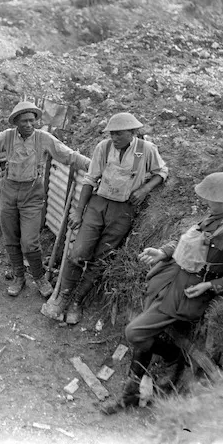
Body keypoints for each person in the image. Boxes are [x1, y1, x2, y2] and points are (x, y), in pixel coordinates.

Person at [102, 172, 223, 414]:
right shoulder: (213, 217)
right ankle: (130, 394)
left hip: (187, 293)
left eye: (212, 199)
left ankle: (172, 354)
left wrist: (210, 286)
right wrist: (163, 252)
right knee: (143, 332)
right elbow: (188, 244)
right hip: (169, 279)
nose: (207, 202)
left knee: (134, 333)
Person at [42, 112, 168, 324]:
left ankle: (77, 301)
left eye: (119, 134)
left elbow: (162, 172)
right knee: (77, 254)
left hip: (123, 211)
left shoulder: (146, 150)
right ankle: (63, 297)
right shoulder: (104, 147)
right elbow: (90, 180)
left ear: (133, 132)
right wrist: (78, 211)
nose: (114, 138)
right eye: (112, 134)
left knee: (100, 260)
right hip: (98, 205)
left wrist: (145, 189)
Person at [0, 101, 91, 298]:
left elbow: (67, 155)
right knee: (10, 238)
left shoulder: (44, 138)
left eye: (31, 120)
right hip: (8, 192)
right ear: (16, 121)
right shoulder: (6, 137)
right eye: (23, 120)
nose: (28, 124)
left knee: (29, 241)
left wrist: (92, 165)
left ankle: (39, 277)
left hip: (32, 195)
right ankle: (19, 276)